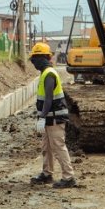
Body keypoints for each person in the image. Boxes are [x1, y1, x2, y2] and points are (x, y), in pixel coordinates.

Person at [27, 42, 77, 188]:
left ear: (44, 57)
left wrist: (42, 117)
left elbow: (49, 98)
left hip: (54, 118)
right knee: (46, 147)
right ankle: (47, 173)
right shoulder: (44, 73)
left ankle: (69, 177)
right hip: (49, 117)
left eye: (35, 59)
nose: (33, 62)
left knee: (58, 146)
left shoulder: (49, 74)